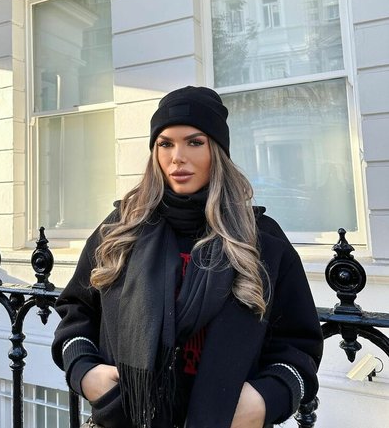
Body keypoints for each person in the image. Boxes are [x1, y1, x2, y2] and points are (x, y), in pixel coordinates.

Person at [52, 86, 323, 428]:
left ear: (217, 151)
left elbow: (299, 344)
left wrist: (266, 399)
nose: (177, 157)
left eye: (194, 142)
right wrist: (85, 371)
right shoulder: (122, 229)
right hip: (126, 419)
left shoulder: (261, 240)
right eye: (165, 144)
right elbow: (76, 310)